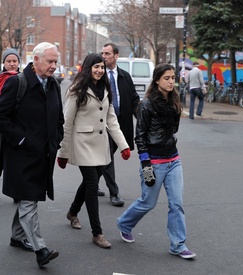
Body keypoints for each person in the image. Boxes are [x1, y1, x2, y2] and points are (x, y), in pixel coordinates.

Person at [117, 63, 196, 259]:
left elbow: (173, 130)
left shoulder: (174, 102)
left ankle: (178, 245)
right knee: (147, 202)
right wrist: (146, 165)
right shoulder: (146, 105)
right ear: (157, 80)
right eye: (167, 78)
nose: (171, 81)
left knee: (176, 204)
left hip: (173, 160)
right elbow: (140, 136)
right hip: (153, 162)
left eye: (172, 78)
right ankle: (125, 223)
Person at [57, 53, 131, 249]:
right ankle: (97, 233)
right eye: (95, 67)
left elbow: (111, 119)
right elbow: (67, 122)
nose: (99, 70)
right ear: (88, 68)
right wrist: (63, 152)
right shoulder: (76, 90)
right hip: (82, 144)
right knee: (91, 183)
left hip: (101, 145)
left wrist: (123, 145)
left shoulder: (105, 88)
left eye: (102, 67)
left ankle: (72, 212)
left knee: (90, 181)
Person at [0, 42, 64, 267]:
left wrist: (56, 139)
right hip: (21, 155)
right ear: (36, 60)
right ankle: (40, 249)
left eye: (55, 61)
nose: (54, 66)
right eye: (50, 61)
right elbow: (2, 118)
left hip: (44, 154)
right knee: (28, 200)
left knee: (31, 196)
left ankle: (17, 237)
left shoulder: (53, 84)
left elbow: (58, 117)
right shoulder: (18, 83)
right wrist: (22, 139)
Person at [99, 43, 140, 206]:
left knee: (103, 158)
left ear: (116, 56)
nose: (104, 56)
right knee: (107, 156)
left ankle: (91, 183)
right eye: (102, 53)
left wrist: (141, 116)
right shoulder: (98, 76)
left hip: (121, 124)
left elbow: (134, 98)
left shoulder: (124, 76)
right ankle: (114, 193)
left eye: (107, 53)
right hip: (103, 124)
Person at [0, 48, 21, 178]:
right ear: (4, 63)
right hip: (2, 123)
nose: (12, 63)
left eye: (15, 61)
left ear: (19, 62)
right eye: (9, 61)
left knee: (15, 164)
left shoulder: (23, 79)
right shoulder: (1, 78)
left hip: (15, 126)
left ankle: (17, 194)